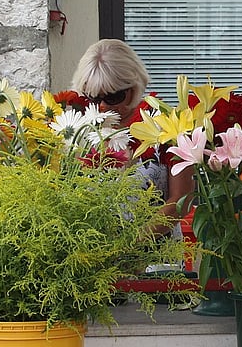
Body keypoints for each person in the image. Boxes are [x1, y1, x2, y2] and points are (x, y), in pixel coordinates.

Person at [71, 38, 191, 219]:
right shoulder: (78, 127)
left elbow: (183, 199)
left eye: (114, 97)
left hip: (154, 243)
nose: (103, 106)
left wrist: (135, 239)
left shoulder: (163, 125)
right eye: (94, 98)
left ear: (134, 87)